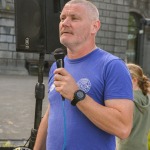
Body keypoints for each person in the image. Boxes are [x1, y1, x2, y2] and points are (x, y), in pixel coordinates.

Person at [33, 0, 134, 150]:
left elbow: (123, 128)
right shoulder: (58, 65)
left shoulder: (112, 66)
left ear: (95, 26)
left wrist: (76, 95)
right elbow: (52, 112)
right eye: (62, 18)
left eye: (74, 18)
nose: (65, 23)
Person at [116, 63, 150, 150]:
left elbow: (120, 128)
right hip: (143, 147)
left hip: (125, 147)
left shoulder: (127, 100)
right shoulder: (148, 98)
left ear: (134, 80)